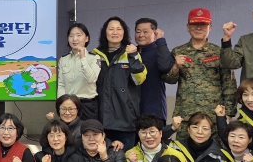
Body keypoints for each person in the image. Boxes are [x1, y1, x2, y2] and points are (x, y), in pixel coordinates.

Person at [163, 8, 237, 141]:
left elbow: (229, 83)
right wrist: (175, 67)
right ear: (188, 27)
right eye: (194, 24)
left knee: (215, 151)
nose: (198, 28)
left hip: (213, 116)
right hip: (186, 115)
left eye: (203, 24)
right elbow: (169, 79)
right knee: (184, 151)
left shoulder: (218, 52)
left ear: (210, 27)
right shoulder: (178, 51)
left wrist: (229, 113)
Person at [91, 17, 147, 151]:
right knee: (104, 157)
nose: (115, 32)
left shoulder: (131, 53)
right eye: (111, 29)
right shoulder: (95, 55)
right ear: (105, 32)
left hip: (126, 118)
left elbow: (139, 79)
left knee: (127, 157)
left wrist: (133, 56)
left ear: (124, 32)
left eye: (118, 29)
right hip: (102, 120)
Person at [56, 23, 100, 120]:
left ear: (86, 38)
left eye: (79, 35)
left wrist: (83, 58)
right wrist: (61, 105)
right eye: (71, 36)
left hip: (87, 105)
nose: (74, 39)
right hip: (68, 105)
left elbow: (91, 79)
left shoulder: (94, 58)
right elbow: (61, 84)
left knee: (88, 129)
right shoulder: (63, 59)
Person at [134, 18, 174, 123]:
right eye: (138, 31)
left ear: (154, 33)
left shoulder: (159, 51)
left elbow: (166, 66)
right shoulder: (131, 53)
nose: (141, 35)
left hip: (154, 111)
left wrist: (160, 40)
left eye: (145, 32)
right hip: (132, 112)